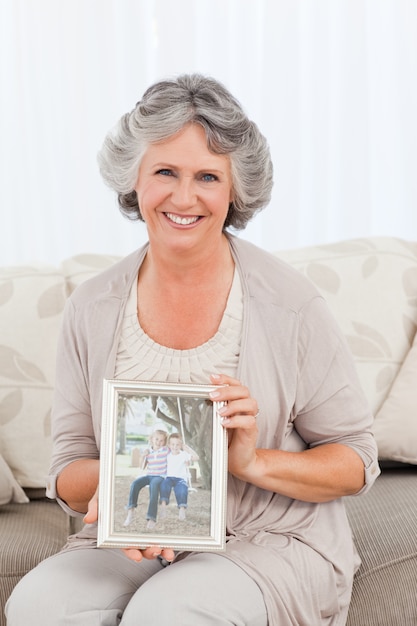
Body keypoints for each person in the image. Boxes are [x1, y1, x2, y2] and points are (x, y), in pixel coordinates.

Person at [5, 73, 380, 626]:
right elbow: (66, 471)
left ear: (235, 191)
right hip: (129, 539)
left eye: (207, 176)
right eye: (165, 172)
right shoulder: (91, 307)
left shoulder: (291, 306)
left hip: (265, 540)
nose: (184, 197)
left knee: (168, 613)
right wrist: (123, 487)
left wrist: (249, 461)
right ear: (134, 180)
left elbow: (355, 460)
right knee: (38, 606)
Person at [123, 429, 169, 530]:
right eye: (156, 439)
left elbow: (176, 449)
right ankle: (130, 512)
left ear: (164, 442)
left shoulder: (166, 450)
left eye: (161, 440)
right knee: (135, 483)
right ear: (151, 439)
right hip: (149, 475)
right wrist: (143, 456)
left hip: (160, 476)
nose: (158, 442)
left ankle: (151, 518)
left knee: (154, 486)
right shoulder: (148, 451)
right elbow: (142, 467)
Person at [159, 432, 199, 521]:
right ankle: (163, 507)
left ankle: (182, 509)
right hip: (169, 478)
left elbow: (196, 457)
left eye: (177, 444)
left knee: (182, 489)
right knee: (164, 485)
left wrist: (188, 449)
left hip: (180, 479)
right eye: (172, 444)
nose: (175, 446)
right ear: (169, 445)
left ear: (181, 445)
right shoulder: (167, 455)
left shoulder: (184, 455)